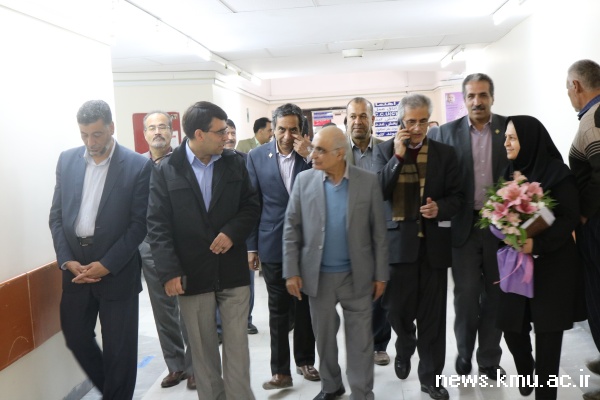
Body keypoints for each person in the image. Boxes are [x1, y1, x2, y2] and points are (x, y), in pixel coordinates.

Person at [146, 101, 259, 400]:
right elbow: (157, 225)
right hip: (192, 274)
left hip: (232, 272)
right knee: (203, 353)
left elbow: (251, 206)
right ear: (199, 134)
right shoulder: (167, 169)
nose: (227, 137)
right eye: (220, 132)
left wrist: (232, 232)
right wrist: (169, 272)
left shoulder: (235, 163)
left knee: (237, 352)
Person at [49, 100, 152, 399]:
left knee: (119, 348)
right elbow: (56, 217)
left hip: (117, 268)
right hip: (76, 268)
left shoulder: (137, 166)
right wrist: (66, 260)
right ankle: (113, 391)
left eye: (96, 134)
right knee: (76, 336)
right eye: (84, 135)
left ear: (111, 128)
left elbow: (139, 224)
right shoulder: (67, 161)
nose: (90, 142)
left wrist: (107, 264)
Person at [283, 126, 388, 400]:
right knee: (325, 339)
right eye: (313, 149)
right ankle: (331, 386)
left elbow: (379, 232)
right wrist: (291, 271)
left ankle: (362, 393)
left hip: (357, 275)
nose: (313, 155)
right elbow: (291, 228)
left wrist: (381, 274)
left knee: (360, 341)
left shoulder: (367, 182)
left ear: (340, 154)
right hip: (318, 277)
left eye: (320, 150)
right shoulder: (304, 181)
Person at [373, 94, 462, 400]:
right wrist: (397, 158)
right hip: (398, 246)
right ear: (401, 121)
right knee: (396, 310)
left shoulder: (445, 153)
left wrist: (441, 208)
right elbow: (378, 191)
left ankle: (431, 379)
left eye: (423, 121)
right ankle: (405, 342)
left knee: (433, 319)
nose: (417, 128)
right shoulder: (384, 151)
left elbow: (458, 197)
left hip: (433, 247)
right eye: (411, 121)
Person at [499, 115, 586, 399]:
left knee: (548, 341)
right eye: (506, 137)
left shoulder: (558, 174)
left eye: (512, 137)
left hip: (553, 268)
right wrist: (506, 232)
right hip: (517, 267)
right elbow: (495, 214)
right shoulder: (507, 173)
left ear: (529, 140)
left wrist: (537, 242)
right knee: (512, 328)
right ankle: (526, 369)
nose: (506, 143)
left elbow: (568, 218)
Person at [428, 73, 507, 380]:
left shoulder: (507, 129)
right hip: (463, 227)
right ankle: (464, 354)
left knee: (496, 295)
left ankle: (489, 360)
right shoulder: (445, 134)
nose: (477, 101)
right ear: (463, 100)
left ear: (492, 97)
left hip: (501, 228)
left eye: (483, 95)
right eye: (471, 96)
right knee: (466, 295)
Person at [246, 103, 320, 390]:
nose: (287, 136)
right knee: (277, 310)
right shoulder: (256, 157)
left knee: (304, 307)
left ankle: (305, 361)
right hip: (272, 242)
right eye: (281, 129)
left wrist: (310, 156)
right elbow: (252, 203)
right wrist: (251, 246)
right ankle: (280, 372)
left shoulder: (312, 154)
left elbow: (326, 187)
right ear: (272, 129)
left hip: (307, 243)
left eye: (293, 130)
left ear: (302, 130)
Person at [139, 111, 194, 389]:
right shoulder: (137, 166)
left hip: (183, 244)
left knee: (190, 307)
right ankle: (176, 365)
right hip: (150, 246)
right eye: (152, 128)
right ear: (145, 134)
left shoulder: (184, 162)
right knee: (162, 309)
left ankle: (196, 366)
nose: (157, 132)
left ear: (172, 132)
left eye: (162, 127)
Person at [345, 96, 391, 366]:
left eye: (363, 116)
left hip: (380, 231)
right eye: (353, 116)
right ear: (346, 120)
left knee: (380, 291)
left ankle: (379, 344)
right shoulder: (337, 151)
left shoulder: (386, 150)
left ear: (372, 120)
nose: (358, 121)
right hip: (347, 232)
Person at [566, 59, 600, 400]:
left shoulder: (594, 119)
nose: (568, 94)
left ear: (577, 86)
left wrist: (585, 215)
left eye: (567, 88)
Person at [222, 118, 258, 335]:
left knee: (247, 280)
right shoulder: (211, 162)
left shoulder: (246, 160)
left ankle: (246, 319)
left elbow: (252, 200)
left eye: (233, 133)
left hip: (244, 231)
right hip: (219, 233)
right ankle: (220, 325)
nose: (230, 137)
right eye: (226, 133)